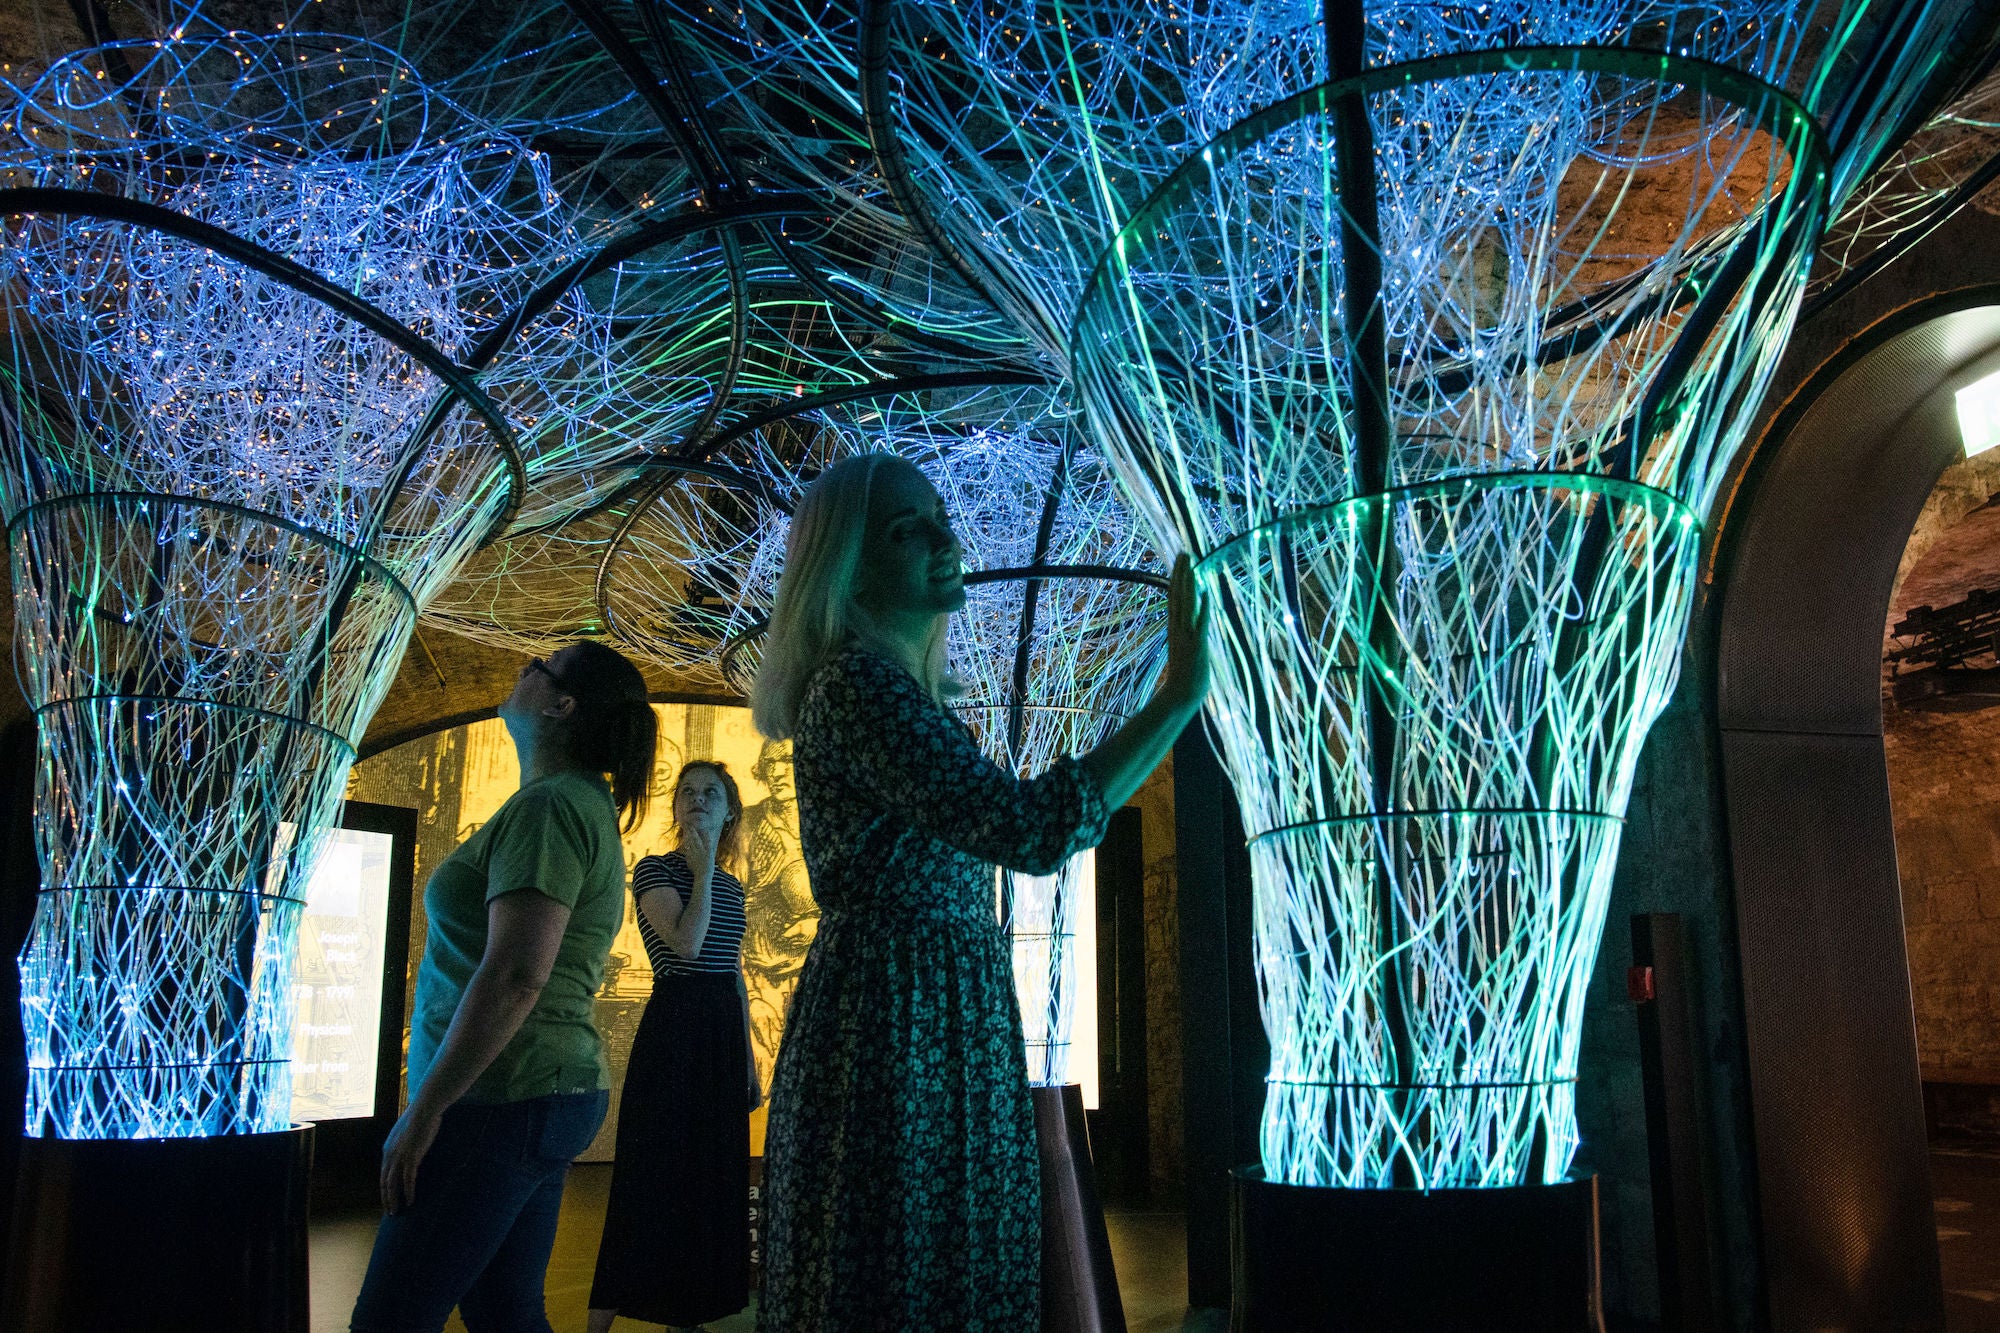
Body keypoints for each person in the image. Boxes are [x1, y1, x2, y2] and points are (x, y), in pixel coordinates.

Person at [748, 452, 1211, 1331]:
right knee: (909, 1262)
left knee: (941, 1255)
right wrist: (1177, 696)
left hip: (939, 1003)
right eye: (904, 526)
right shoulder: (856, 684)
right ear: (845, 564)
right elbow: (1027, 829)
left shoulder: (897, 693)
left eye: (938, 514)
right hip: (900, 1012)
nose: (943, 535)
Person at [350, 641, 657, 1333]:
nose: (521, 668)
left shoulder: (550, 807)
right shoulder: (575, 803)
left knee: (390, 1320)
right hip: (537, 1091)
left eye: (536, 667)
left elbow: (518, 973)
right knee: (504, 1314)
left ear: (561, 704)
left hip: (500, 1096)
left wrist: (425, 1109)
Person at [587, 759, 758, 1333]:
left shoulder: (735, 888)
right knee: (648, 1172)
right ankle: (600, 1320)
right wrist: (704, 870)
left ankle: (688, 1315)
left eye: (710, 792)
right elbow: (686, 945)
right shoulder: (655, 871)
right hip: (675, 1026)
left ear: (729, 808)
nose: (697, 799)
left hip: (718, 1034)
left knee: (708, 1177)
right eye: (687, 791)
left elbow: (731, 974)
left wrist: (749, 1065)